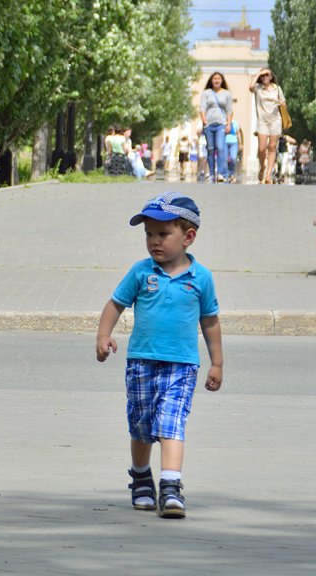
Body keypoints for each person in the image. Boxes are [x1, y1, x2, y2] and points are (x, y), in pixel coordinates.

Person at [95, 191, 224, 519]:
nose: (154, 241)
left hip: (182, 366)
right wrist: (104, 334)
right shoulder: (141, 272)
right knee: (141, 425)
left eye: (163, 234)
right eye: (149, 234)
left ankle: (170, 485)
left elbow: (210, 321)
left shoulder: (201, 278)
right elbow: (115, 304)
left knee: (171, 423)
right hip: (141, 362)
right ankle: (141, 476)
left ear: (188, 237)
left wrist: (217, 362)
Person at [249, 67, 287, 184]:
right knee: (261, 148)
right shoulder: (258, 88)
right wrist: (258, 73)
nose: (265, 77)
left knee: (272, 147)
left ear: (271, 77)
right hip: (262, 121)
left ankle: (268, 175)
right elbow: (250, 87)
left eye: (267, 75)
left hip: (275, 120)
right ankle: (262, 167)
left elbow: (284, 103)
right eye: (263, 75)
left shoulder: (277, 88)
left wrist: (280, 102)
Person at [198, 72, 233, 183]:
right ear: (211, 80)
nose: (217, 80)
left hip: (221, 123)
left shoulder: (227, 94)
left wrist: (228, 124)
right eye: (214, 78)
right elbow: (202, 108)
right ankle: (212, 174)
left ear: (222, 80)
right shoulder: (206, 93)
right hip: (209, 124)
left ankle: (221, 173)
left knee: (220, 147)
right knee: (210, 149)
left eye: (219, 78)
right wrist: (204, 120)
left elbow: (229, 110)